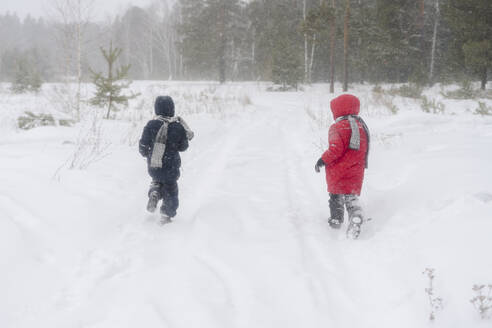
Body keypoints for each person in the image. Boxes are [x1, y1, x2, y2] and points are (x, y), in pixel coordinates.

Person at [315, 94, 370, 239]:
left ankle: (336, 220)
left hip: (338, 170)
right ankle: (356, 213)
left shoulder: (337, 127)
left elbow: (335, 149)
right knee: (351, 197)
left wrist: (322, 160)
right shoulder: (361, 127)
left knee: (336, 196)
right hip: (356, 170)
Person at [139, 96, 194, 224]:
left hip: (154, 166)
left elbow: (143, 145)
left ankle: (155, 192)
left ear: (156, 109)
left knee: (157, 180)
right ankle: (166, 214)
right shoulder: (178, 127)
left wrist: (148, 154)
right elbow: (183, 146)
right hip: (171, 167)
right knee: (171, 189)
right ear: (172, 109)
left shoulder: (151, 124)